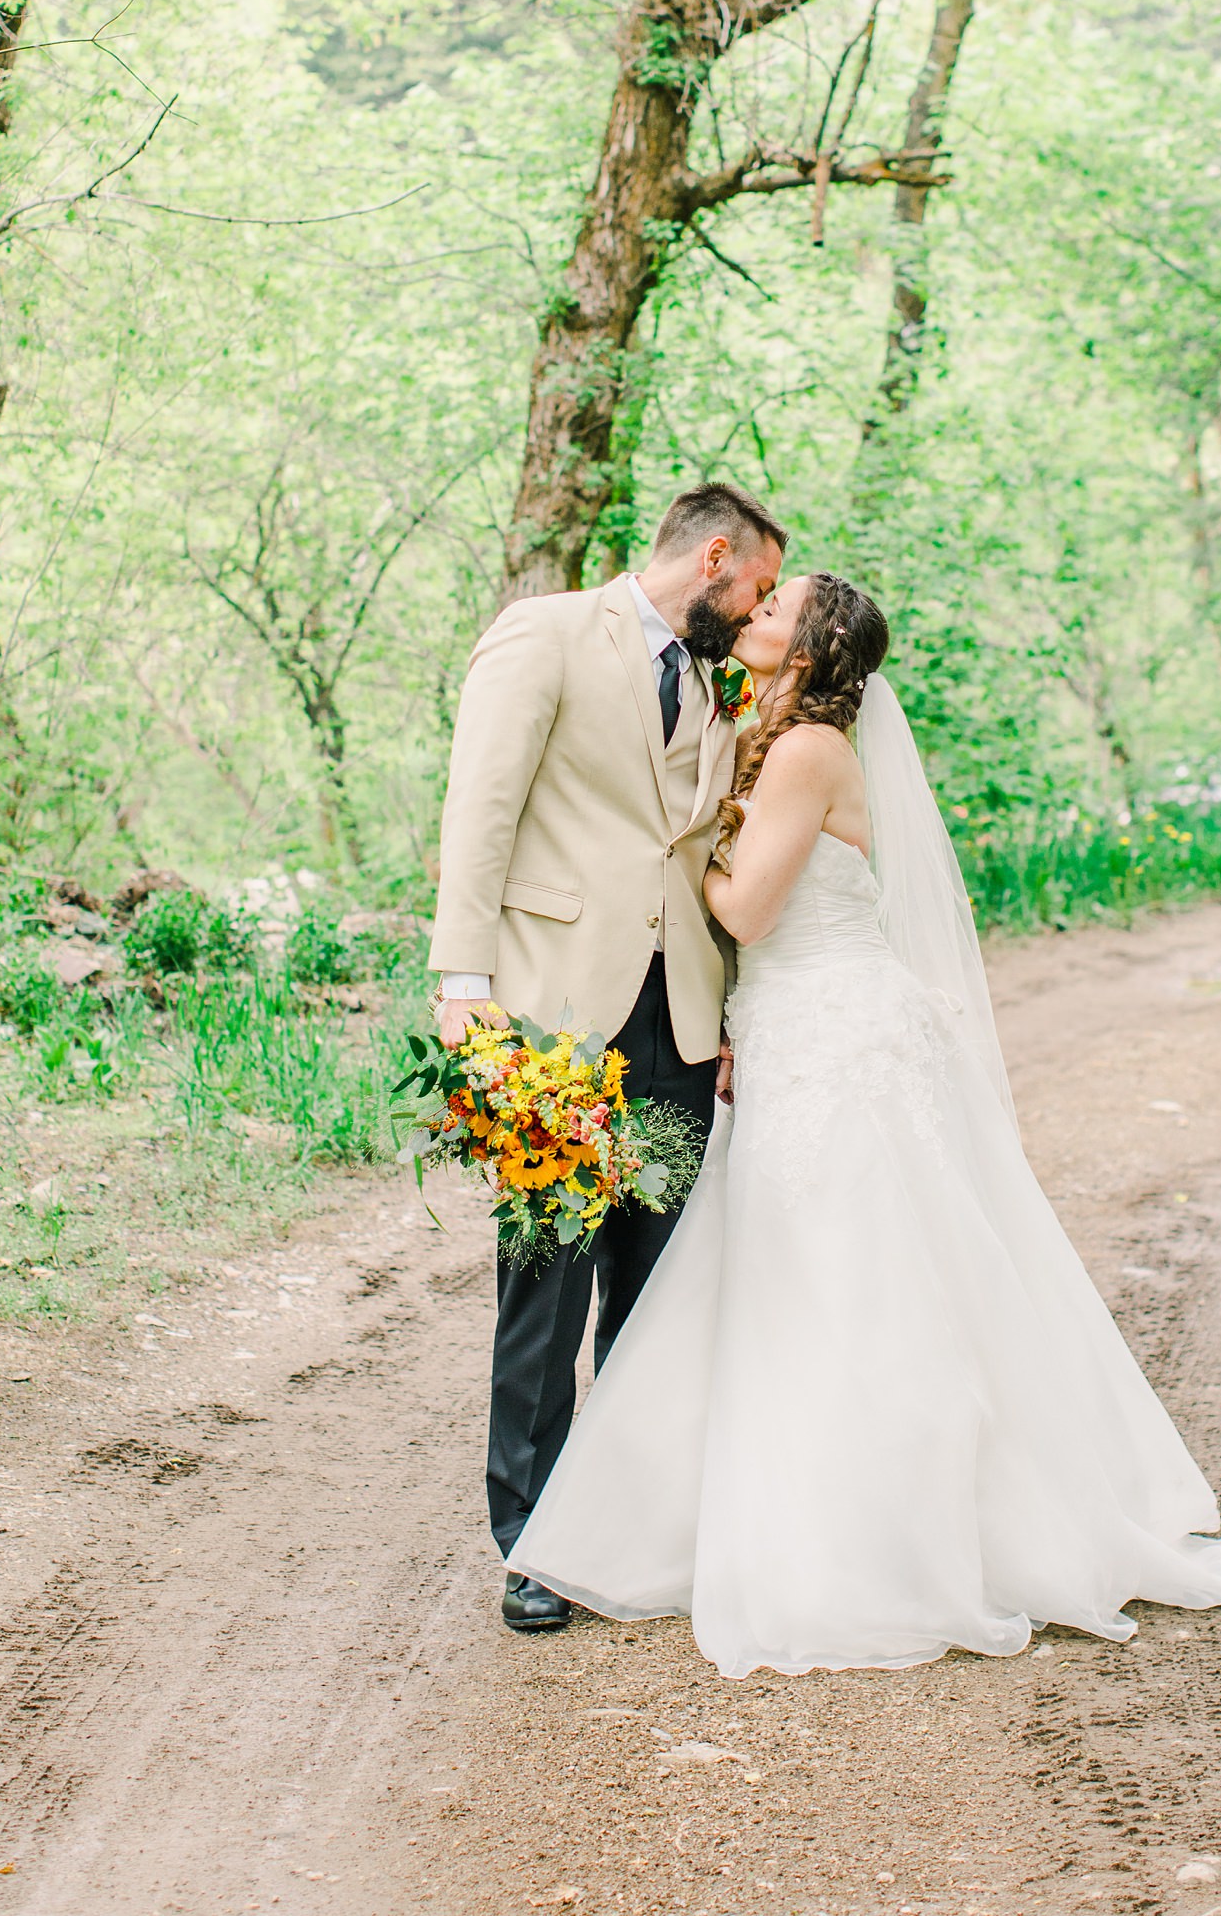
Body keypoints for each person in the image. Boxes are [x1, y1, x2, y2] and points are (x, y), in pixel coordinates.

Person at [511, 571, 1221, 1677]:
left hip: (835, 1031)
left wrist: (668, 844)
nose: (753, 610)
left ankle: (885, 1537)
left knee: (848, 1275)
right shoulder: (771, 731)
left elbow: (748, 908)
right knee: (797, 1273)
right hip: (792, 1018)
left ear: (807, 648)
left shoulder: (807, 749)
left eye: (777, 606)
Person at [427, 483, 785, 1631]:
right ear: (714, 557)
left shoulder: (719, 674)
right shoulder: (546, 633)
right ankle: (530, 1537)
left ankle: (620, 1523)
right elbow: (480, 805)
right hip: (553, 1015)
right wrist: (462, 983)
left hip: (678, 1013)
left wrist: (728, 1008)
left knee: (650, 1283)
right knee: (547, 1279)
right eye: (762, 588)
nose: (763, 608)